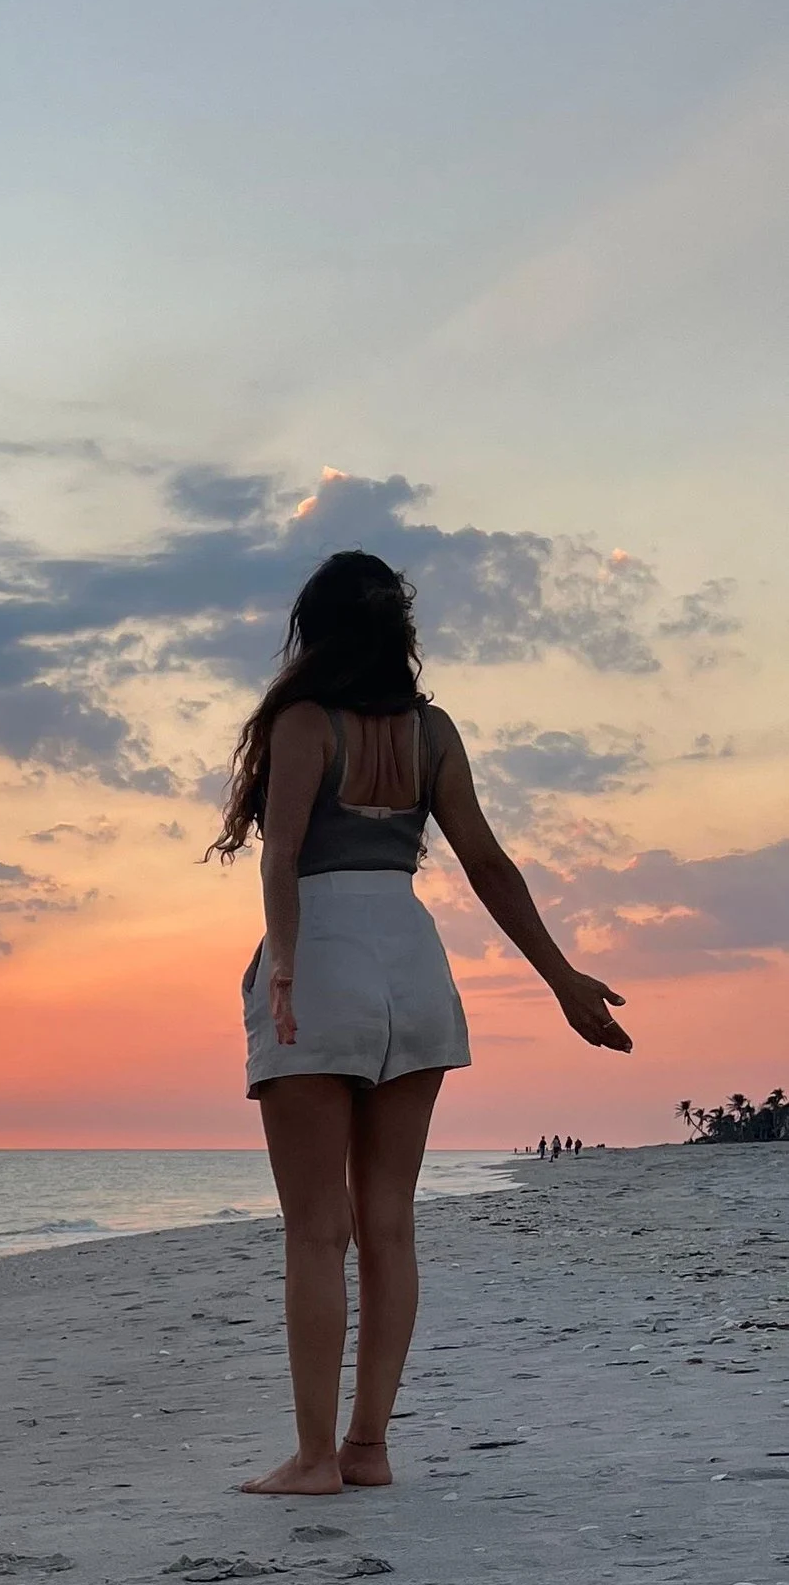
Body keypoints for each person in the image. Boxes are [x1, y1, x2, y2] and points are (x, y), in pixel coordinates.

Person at [211, 549, 630, 1496]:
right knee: (389, 1221)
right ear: (398, 635)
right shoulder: (432, 733)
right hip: (412, 959)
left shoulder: (303, 723)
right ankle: (370, 1447)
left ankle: (315, 1459)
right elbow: (487, 862)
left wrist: (283, 964)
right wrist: (560, 978)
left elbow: (282, 861)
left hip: (322, 955)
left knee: (318, 1229)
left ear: (312, 636)